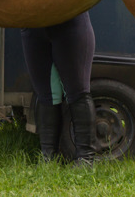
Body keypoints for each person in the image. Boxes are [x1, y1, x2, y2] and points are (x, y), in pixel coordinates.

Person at [21, 12, 96, 166]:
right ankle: (49, 158)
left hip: (70, 21)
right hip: (33, 26)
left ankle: (86, 159)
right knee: (46, 94)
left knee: (78, 91)